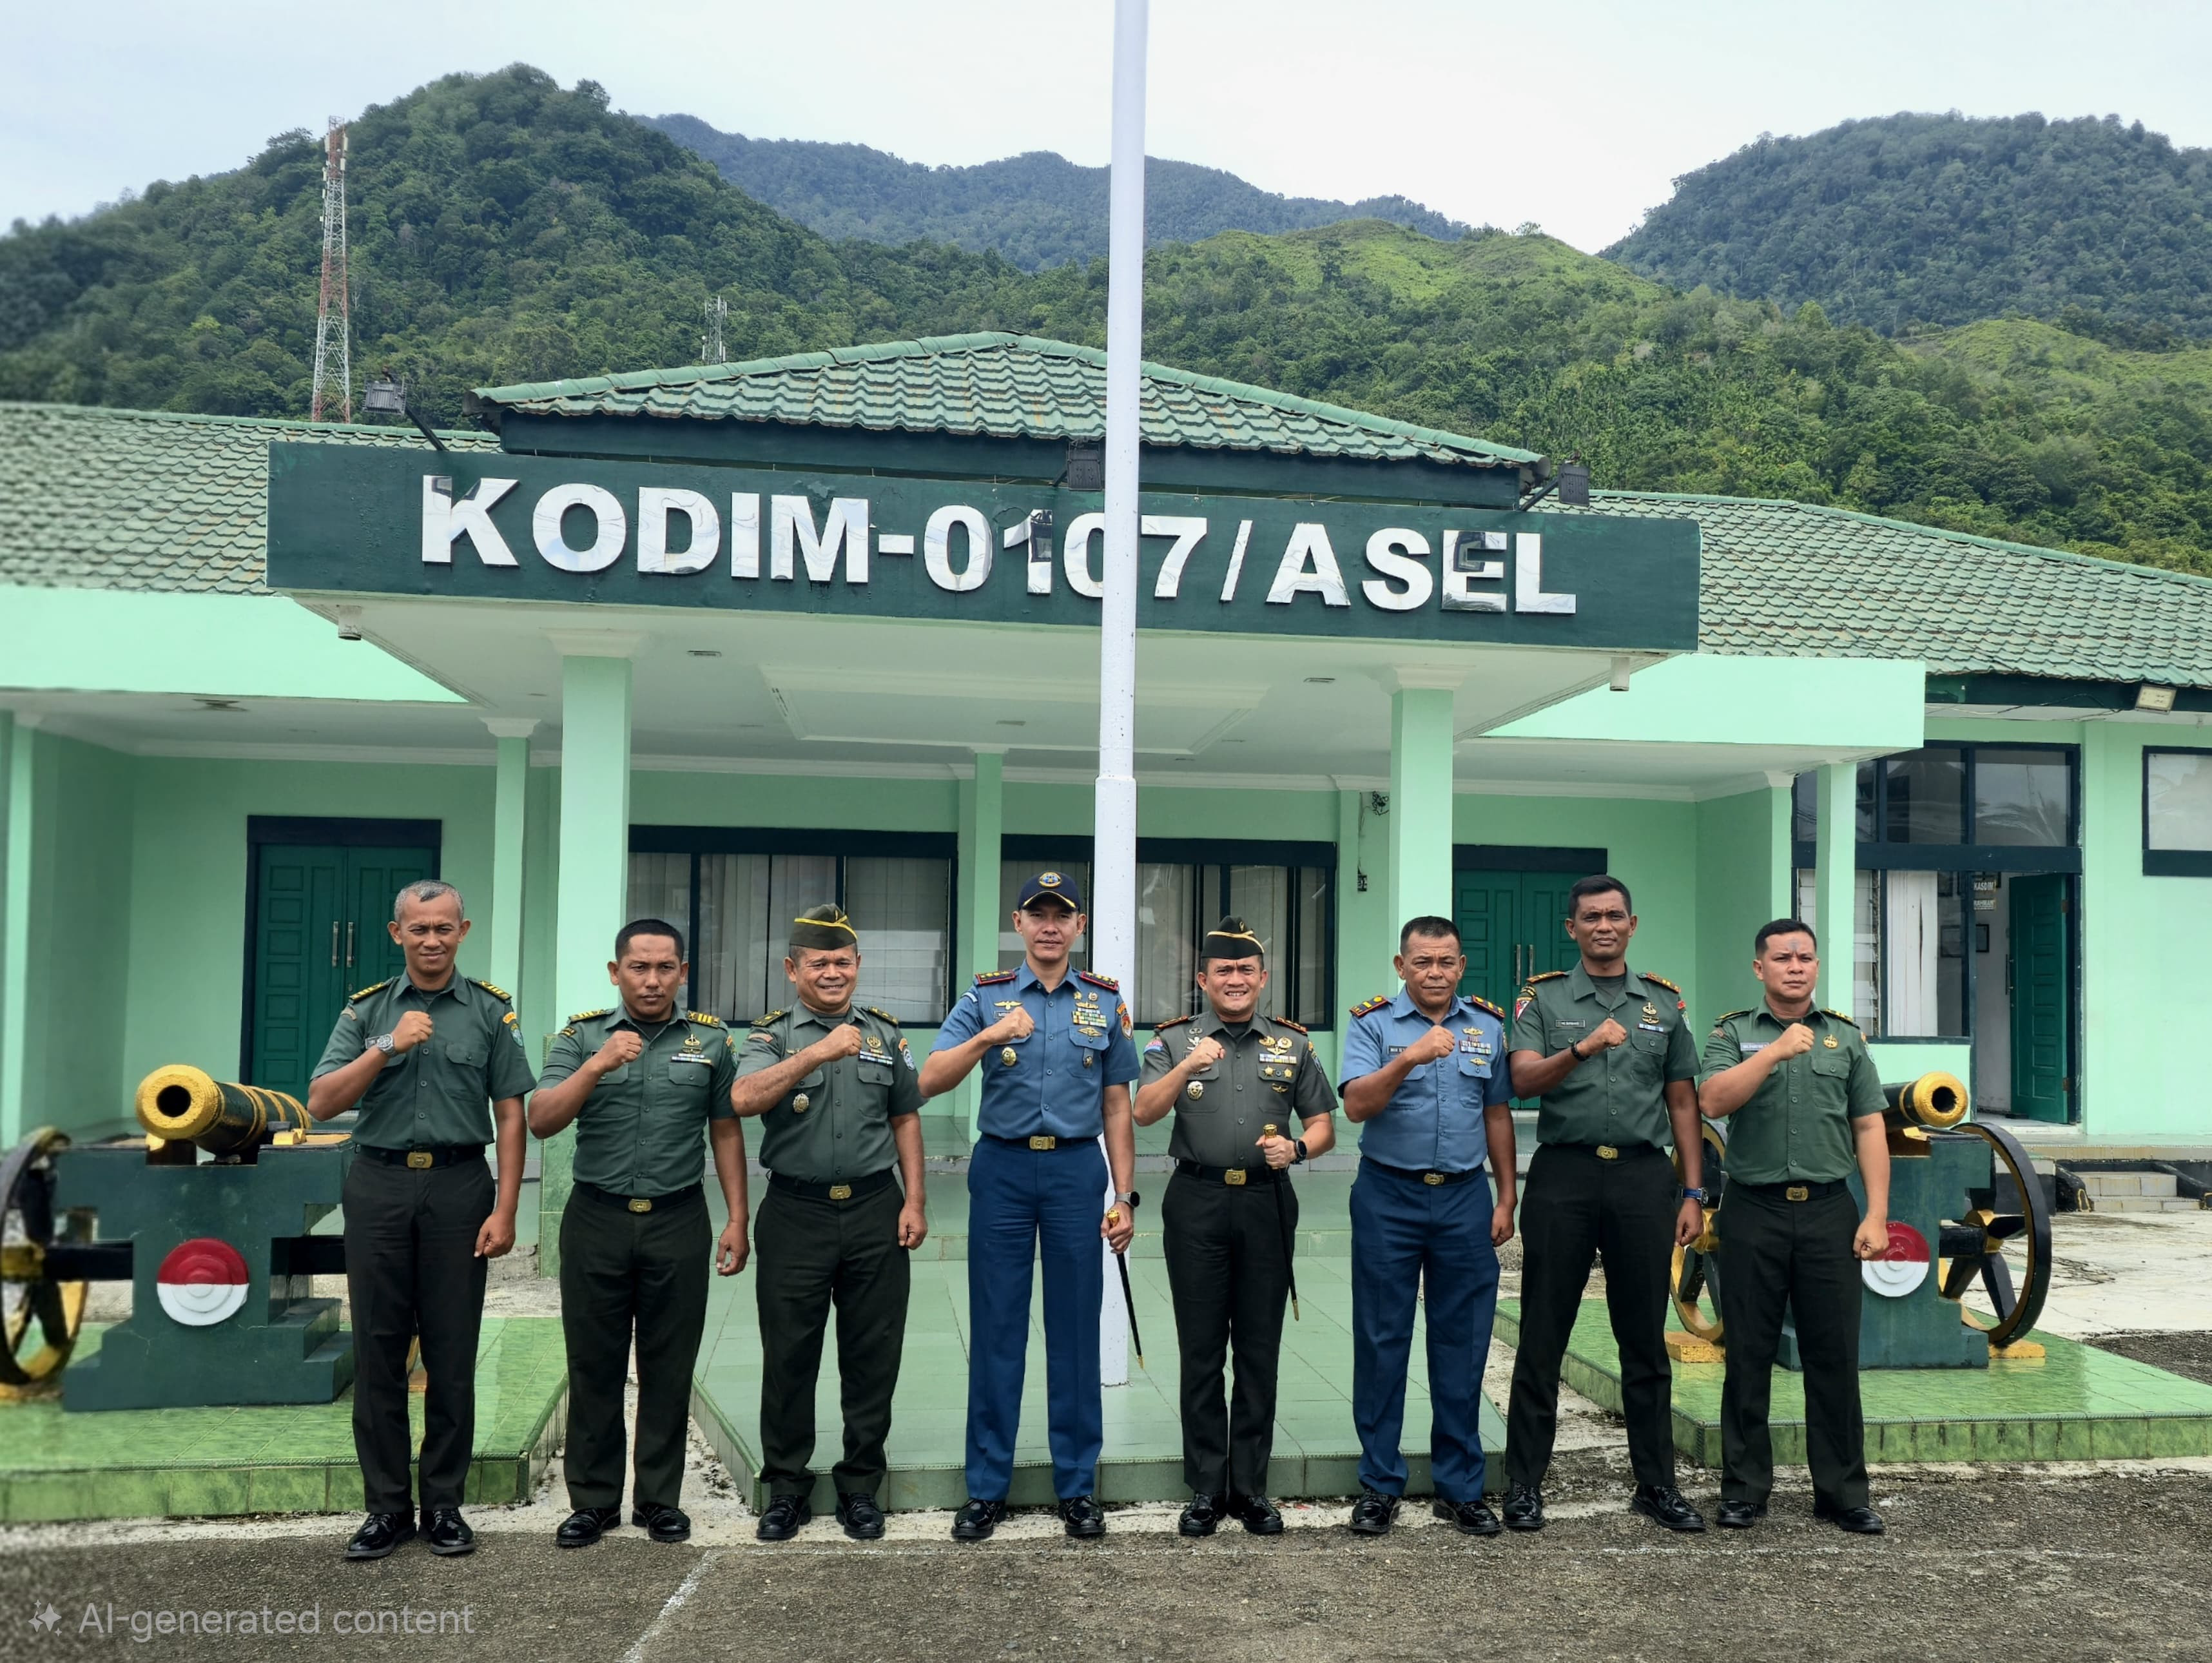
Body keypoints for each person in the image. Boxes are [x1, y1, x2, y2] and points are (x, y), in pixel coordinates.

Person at [307, 879, 534, 1561]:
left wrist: (506, 1206)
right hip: (377, 1184)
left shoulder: (491, 1014)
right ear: (395, 933)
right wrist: (388, 1047)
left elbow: (512, 1113)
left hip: (461, 1185)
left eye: (444, 928)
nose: (431, 940)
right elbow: (320, 1101)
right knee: (377, 1348)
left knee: (451, 1350)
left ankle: (443, 1505)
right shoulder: (366, 1012)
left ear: (463, 931)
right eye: (418, 929)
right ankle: (384, 1509)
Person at [921, 871, 1139, 1541]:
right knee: (997, 1329)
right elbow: (928, 1079)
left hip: (1078, 1171)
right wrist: (988, 1038)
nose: (1049, 925)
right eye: (1037, 914)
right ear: (1018, 924)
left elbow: (1117, 1107)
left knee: (1075, 1331)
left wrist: (1124, 1195)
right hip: (1004, 1169)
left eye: (1062, 915)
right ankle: (987, 1489)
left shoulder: (1103, 1002)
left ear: (1078, 927)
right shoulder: (984, 998)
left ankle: (1077, 1487)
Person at [527, 919, 750, 1548]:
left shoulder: (710, 1044)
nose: (651, 981)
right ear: (616, 972)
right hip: (596, 1216)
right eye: (639, 968)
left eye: (664, 968)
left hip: (678, 1219)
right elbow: (542, 1119)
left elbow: (726, 1131)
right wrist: (598, 1064)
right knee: (593, 1363)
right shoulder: (581, 1038)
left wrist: (737, 1218)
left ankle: (659, 1500)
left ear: (682, 972)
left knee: (668, 1364)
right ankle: (594, 1502)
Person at [1504, 875, 1708, 1534]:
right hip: (1564, 1176)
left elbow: (1684, 1102)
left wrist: (1694, 1191)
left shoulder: (1665, 1004)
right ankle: (1524, 1486)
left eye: (1615, 916)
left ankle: (1655, 1485)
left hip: (1644, 1183)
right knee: (1542, 1335)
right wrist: (1584, 1046)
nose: (1603, 926)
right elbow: (1522, 1079)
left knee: (1643, 1341)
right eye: (1591, 917)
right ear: (1572, 928)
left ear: (1632, 924)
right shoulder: (1542, 998)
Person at [731, 904, 929, 1543]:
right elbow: (743, 1098)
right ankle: (786, 1487)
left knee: (873, 1354)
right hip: (796, 1211)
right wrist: (817, 1051)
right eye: (818, 963)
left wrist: (916, 1200)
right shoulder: (770, 1037)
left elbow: (906, 1117)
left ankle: (860, 1486)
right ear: (793, 970)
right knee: (790, 1353)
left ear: (858, 966)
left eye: (843, 962)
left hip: (876, 1206)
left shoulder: (884, 1034)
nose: (832, 973)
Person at [1134, 917, 1337, 1538]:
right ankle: (1205, 1487)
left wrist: (1299, 1150)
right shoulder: (1172, 1041)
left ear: (1263, 979)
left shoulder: (1294, 1044)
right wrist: (1189, 1063)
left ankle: (1249, 1488)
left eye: (1246, 970)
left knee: (1257, 1349)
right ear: (1203, 980)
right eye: (1223, 970)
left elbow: (1326, 1125)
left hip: (1266, 1203)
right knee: (1200, 1348)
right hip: (1195, 1200)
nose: (1235, 980)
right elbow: (1143, 1111)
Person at [1697, 919, 1891, 1535]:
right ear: (1761, 968)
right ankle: (1745, 1489)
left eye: (1806, 957)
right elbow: (1714, 1100)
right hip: (1754, 1210)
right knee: (1749, 1354)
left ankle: (1842, 1491)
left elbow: (1869, 1128)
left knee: (1833, 1355)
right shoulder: (1733, 1034)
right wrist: (1778, 1052)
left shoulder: (1846, 1040)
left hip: (1830, 1211)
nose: (1796, 967)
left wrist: (1878, 1213)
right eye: (1783, 958)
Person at [1337, 915, 1518, 1537]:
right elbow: (1357, 1105)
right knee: (1383, 1339)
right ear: (1400, 965)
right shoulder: (1371, 1024)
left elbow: (1498, 1114)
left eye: (1446, 962)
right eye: (1423, 963)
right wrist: (1409, 1057)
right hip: (1389, 1194)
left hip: (1465, 1198)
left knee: (1463, 1342)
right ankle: (1379, 1485)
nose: (1435, 973)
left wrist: (1506, 1196)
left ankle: (1460, 1486)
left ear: (1461, 966)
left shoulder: (1487, 1027)